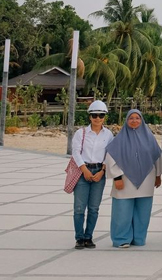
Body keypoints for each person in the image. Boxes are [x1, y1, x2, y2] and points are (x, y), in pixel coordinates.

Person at [105, 109, 162, 248]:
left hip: (147, 180)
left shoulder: (149, 138)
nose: (134, 121)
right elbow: (111, 158)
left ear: (141, 120)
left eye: (137, 118)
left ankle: (139, 238)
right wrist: (117, 178)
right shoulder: (119, 139)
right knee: (122, 212)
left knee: (143, 213)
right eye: (131, 118)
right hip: (124, 181)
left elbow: (157, 156)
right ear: (126, 120)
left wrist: (158, 176)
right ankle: (121, 239)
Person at [71, 100, 113, 249]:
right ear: (90, 116)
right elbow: (76, 152)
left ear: (104, 117)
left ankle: (88, 237)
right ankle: (79, 238)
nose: (97, 118)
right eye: (94, 115)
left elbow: (109, 154)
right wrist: (84, 170)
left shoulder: (108, 134)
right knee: (79, 208)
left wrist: (102, 171)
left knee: (94, 208)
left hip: (99, 172)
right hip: (83, 171)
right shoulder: (80, 133)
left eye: (101, 115)